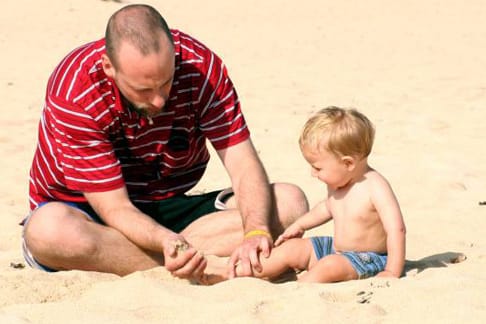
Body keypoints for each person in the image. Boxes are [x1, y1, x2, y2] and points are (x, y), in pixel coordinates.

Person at [22, 4, 308, 282]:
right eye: (144, 89)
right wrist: (167, 242)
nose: (159, 99)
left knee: (289, 202)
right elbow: (116, 208)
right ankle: (201, 264)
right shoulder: (76, 91)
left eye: (167, 82)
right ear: (109, 67)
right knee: (47, 232)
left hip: (167, 206)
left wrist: (256, 232)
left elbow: (243, 163)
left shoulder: (200, 68)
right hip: (91, 212)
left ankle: (179, 258)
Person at [205, 106, 406, 284]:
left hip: (369, 257)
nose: (313, 173)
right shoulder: (340, 183)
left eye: (318, 168)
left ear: (348, 163)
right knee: (291, 249)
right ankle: (234, 273)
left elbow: (396, 230)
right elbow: (327, 208)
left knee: (329, 266)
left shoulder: (375, 187)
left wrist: (392, 270)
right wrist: (300, 225)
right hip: (336, 248)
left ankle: (302, 286)